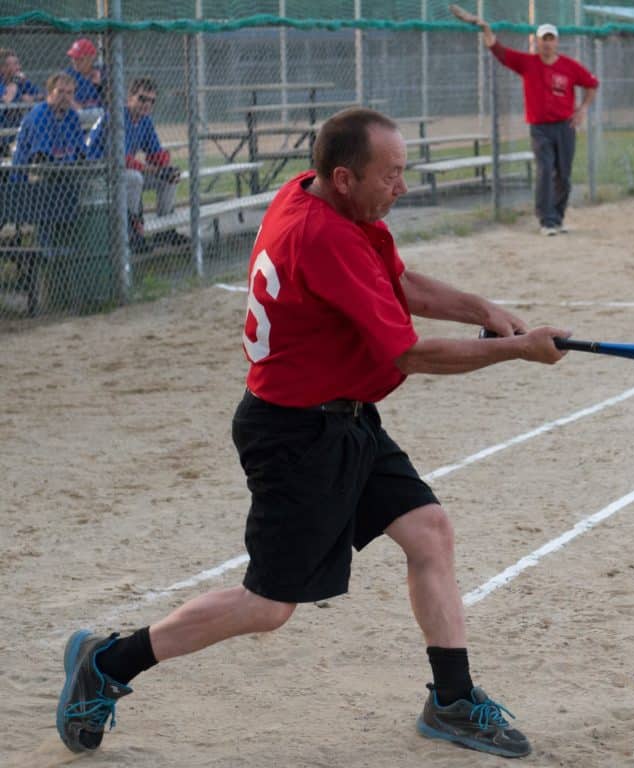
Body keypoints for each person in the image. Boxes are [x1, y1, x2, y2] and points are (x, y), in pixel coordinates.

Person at [56, 107, 569, 760]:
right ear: (346, 177)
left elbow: (398, 281)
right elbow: (409, 355)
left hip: (344, 415)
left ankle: (453, 699)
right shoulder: (323, 237)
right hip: (294, 435)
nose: (403, 188)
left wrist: (485, 311)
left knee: (428, 531)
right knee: (268, 606)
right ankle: (107, 663)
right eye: (392, 176)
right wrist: (519, 350)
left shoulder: (320, 196)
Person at [479, 20, 598, 236]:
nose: (548, 44)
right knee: (544, 170)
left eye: (551, 39)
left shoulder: (569, 66)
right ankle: (546, 220)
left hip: (565, 127)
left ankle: (558, 217)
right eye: (544, 39)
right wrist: (486, 30)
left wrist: (582, 109)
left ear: (557, 42)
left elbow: (592, 84)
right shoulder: (528, 63)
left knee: (564, 174)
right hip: (540, 128)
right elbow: (499, 50)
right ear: (536, 41)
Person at [87, 77, 184, 252]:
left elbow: (155, 155)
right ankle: (131, 232)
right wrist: (156, 169)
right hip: (97, 172)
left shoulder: (145, 121)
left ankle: (165, 229)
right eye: (142, 98)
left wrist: (166, 166)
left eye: (151, 101)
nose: (147, 104)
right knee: (134, 178)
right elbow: (120, 160)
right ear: (130, 97)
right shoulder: (116, 117)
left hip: (120, 172)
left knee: (168, 179)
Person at [12, 72, 86, 167]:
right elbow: (40, 158)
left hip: (66, 173)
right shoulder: (40, 115)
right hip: (33, 176)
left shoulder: (71, 115)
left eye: (69, 92)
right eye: (60, 91)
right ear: (50, 93)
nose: (65, 97)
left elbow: (81, 153)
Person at [65, 37, 104, 124]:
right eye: (73, 58)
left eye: (80, 59)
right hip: (75, 119)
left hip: (100, 116)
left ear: (91, 58)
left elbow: (111, 101)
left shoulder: (102, 73)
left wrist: (100, 85)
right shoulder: (68, 75)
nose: (75, 61)